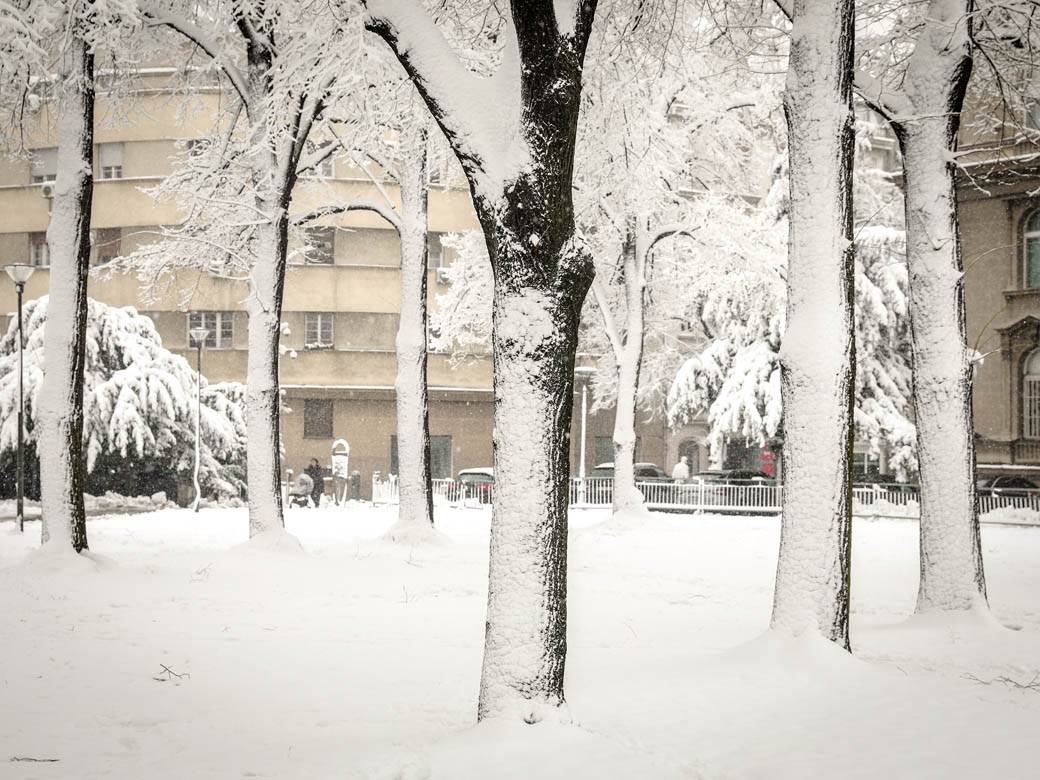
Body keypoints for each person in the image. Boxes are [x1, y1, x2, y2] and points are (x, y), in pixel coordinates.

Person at [330, 439, 351, 506]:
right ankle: (337, 500)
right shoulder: (337, 460)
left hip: (341, 475)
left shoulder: (343, 461)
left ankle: (340, 500)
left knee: (341, 488)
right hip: (338, 475)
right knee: (337, 488)